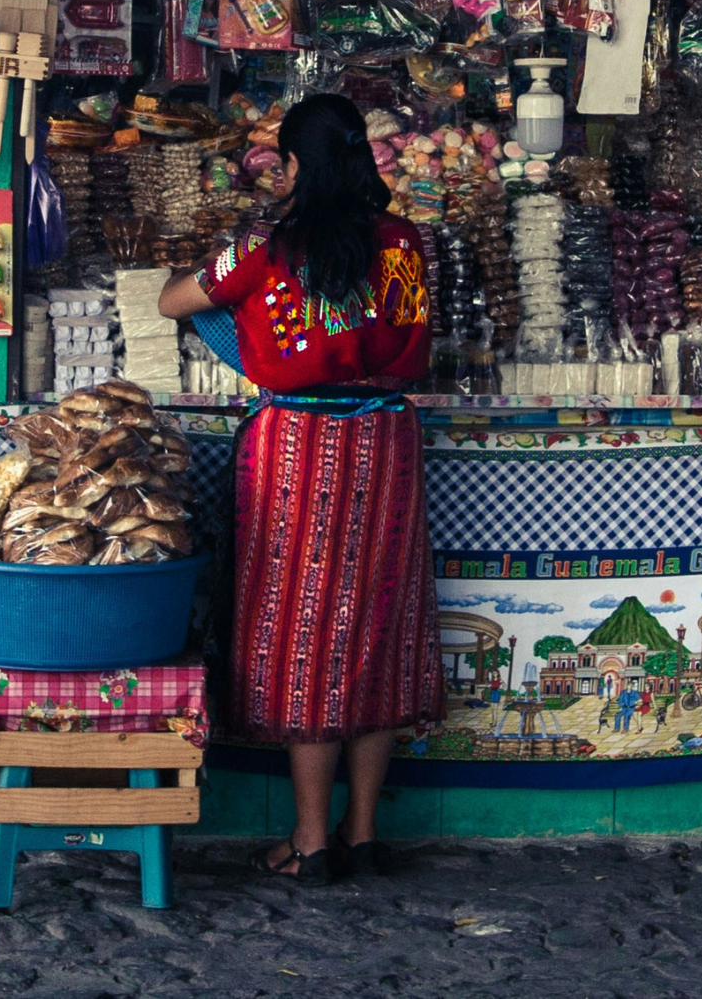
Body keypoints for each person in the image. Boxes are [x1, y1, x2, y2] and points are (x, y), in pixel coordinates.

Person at [158, 94, 440, 886]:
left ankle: (311, 841)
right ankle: (363, 831)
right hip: (385, 442)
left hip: (301, 451)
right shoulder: (403, 244)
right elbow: (417, 338)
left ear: (294, 165)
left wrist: (237, 318)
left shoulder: (266, 246)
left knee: (305, 629)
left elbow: (172, 301)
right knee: (378, 622)